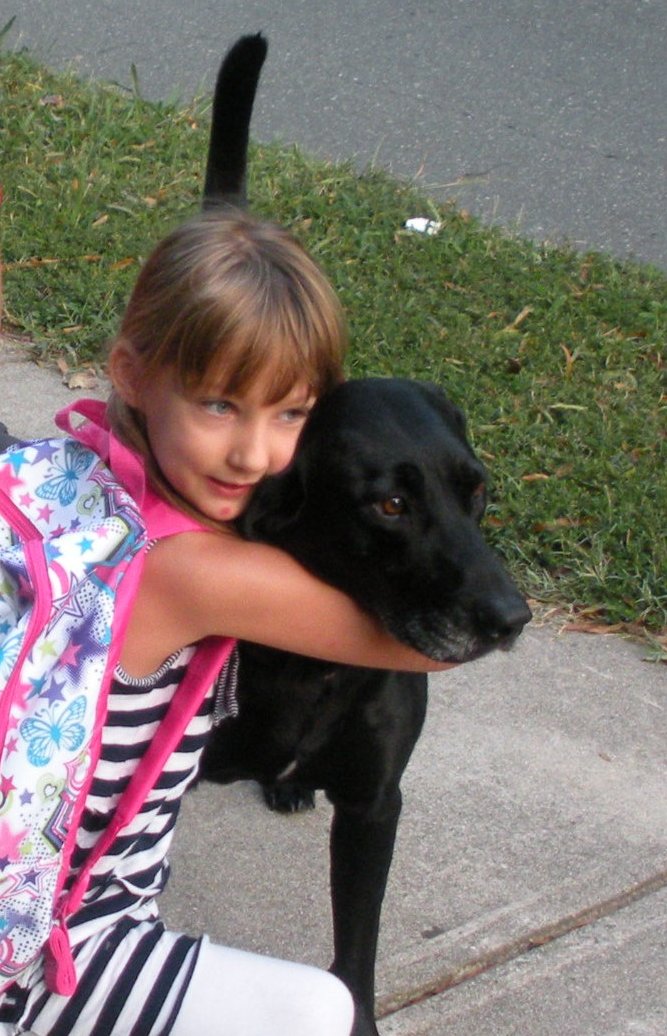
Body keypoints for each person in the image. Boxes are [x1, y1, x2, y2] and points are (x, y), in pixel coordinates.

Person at [1, 211, 458, 1036]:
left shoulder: (67, 473)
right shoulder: (192, 572)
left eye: (290, 413)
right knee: (319, 1014)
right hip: (47, 947)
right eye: (219, 405)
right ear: (131, 373)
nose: (253, 454)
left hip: (40, 893)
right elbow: (435, 638)